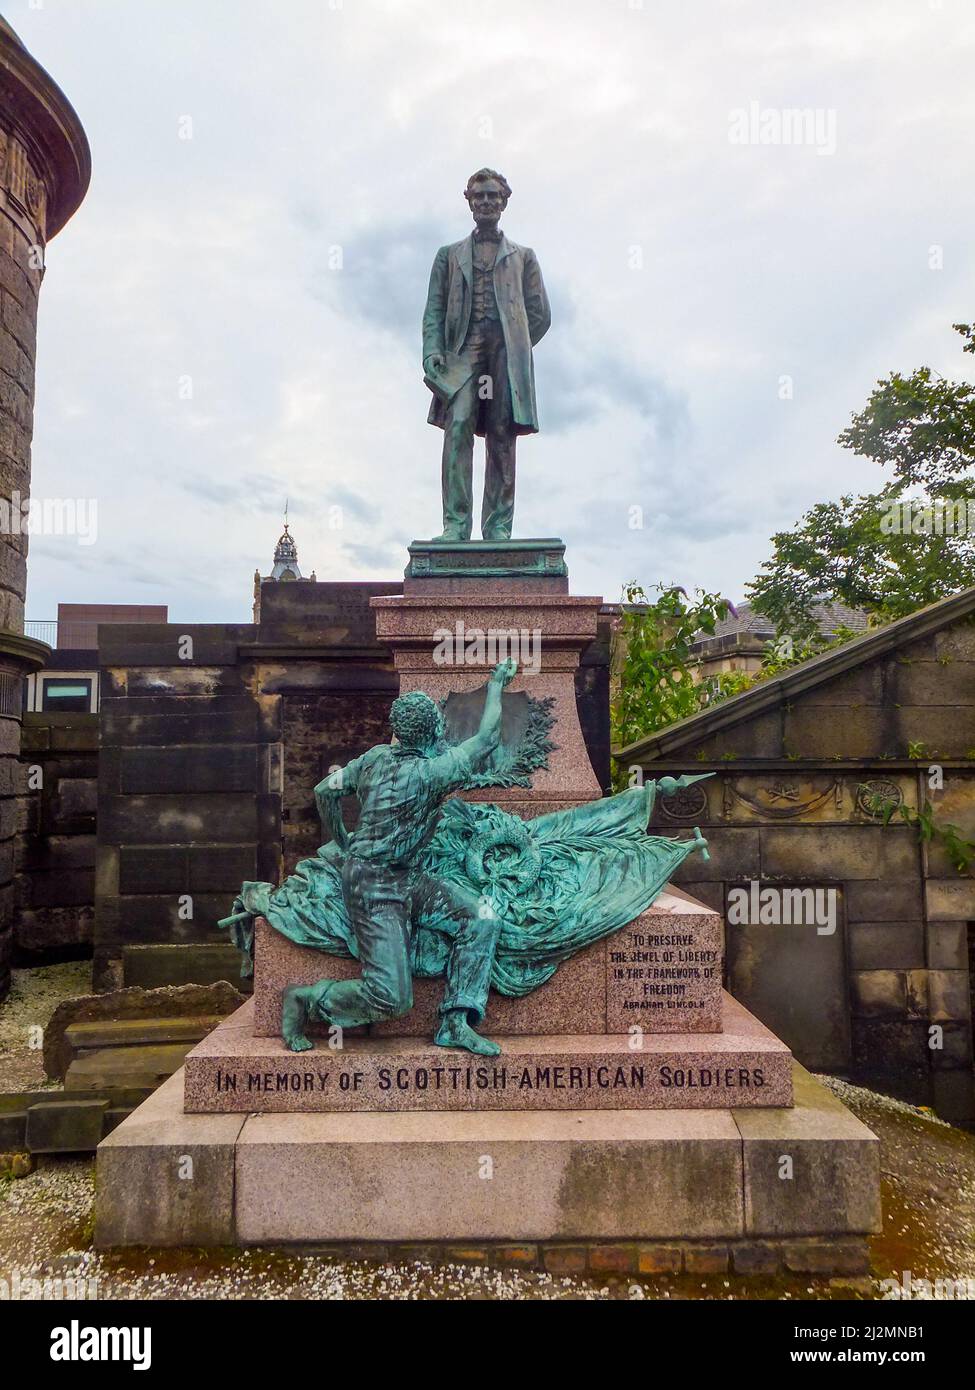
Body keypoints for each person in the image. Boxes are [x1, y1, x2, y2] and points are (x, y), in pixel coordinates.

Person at [281, 659, 518, 1056]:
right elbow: (488, 738)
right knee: (392, 998)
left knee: (482, 918)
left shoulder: (373, 759)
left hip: (406, 877)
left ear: (398, 732)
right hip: (373, 887)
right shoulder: (432, 773)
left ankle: (455, 1021)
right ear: (434, 733)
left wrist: (341, 840)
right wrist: (496, 686)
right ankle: (307, 1000)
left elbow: (325, 790)